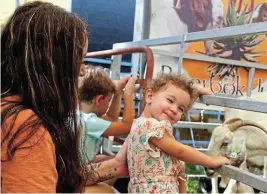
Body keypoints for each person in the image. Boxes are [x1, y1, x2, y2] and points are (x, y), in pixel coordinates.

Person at [1, 2, 129, 192]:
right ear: (52, 63)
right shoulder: (27, 127)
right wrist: (126, 94)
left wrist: (115, 164)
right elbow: (124, 126)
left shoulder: (8, 107)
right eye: (79, 59)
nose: (83, 70)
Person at [127, 73, 231, 193]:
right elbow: (180, 151)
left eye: (181, 109)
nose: (174, 109)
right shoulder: (151, 127)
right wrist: (211, 161)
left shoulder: (140, 124)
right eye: (170, 100)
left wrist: (195, 92)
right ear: (149, 96)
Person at [79, 65, 136, 164]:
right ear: (99, 100)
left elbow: (110, 119)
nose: (109, 104)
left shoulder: (80, 115)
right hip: (77, 173)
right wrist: (128, 94)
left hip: (74, 166)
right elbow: (127, 127)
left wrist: (117, 93)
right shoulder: (90, 122)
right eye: (109, 100)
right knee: (122, 162)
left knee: (103, 157)